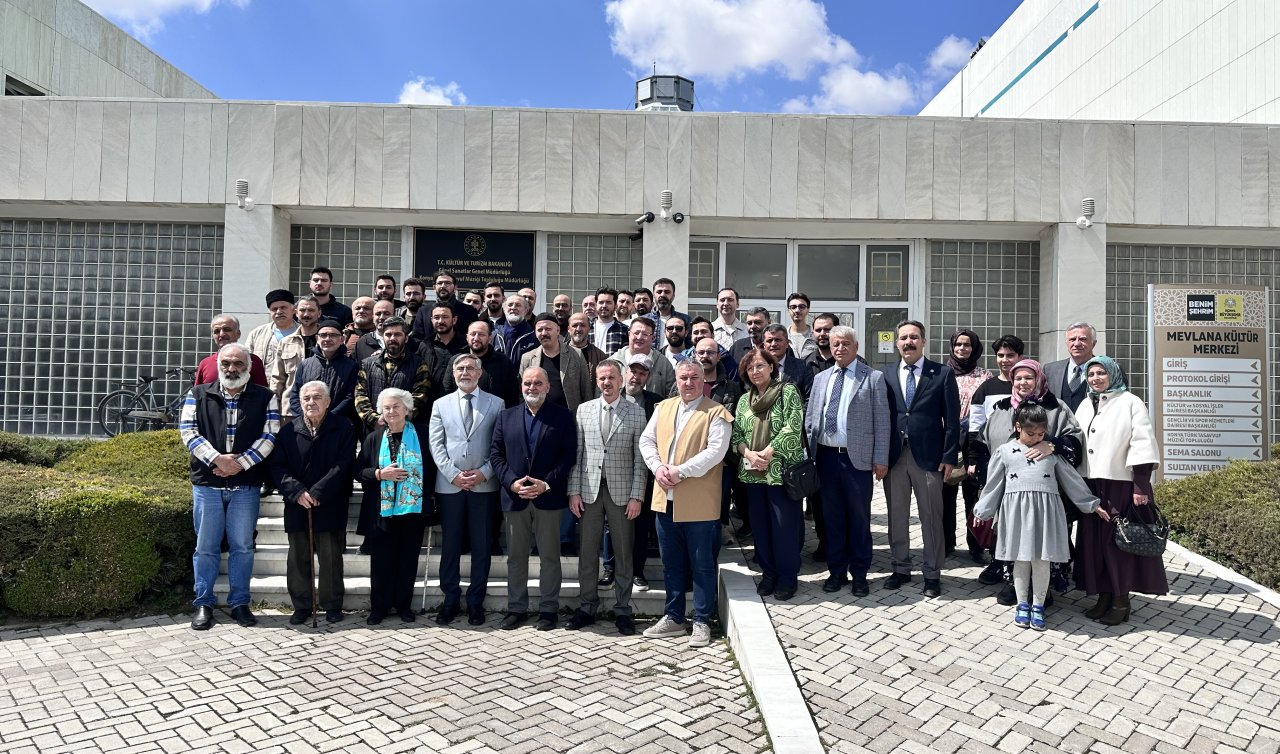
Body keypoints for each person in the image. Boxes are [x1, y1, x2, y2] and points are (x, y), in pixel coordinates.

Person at [974, 403, 1106, 631]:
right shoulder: (1004, 452)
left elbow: (1071, 479)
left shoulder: (1050, 452)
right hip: (1016, 514)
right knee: (1021, 559)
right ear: (1018, 427)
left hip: (1046, 513)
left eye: (1041, 434)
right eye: (1030, 433)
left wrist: (1091, 504)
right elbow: (993, 484)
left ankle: (1038, 604)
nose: (1036, 438)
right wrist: (982, 510)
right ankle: (1022, 603)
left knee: (1042, 559)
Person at [180, 343, 281, 631]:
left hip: (246, 484)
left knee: (242, 546)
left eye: (238, 363)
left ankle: (240, 603)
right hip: (208, 484)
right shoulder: (198, 394)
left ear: (248, 366)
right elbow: (188, 431)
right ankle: (203, 603)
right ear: (218, 364)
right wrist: (217, 459)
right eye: (226, 363)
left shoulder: (265, 397)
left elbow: (270, 435)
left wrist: (241, 464)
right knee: (206, 547)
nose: (231, 369)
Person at [970, 358, 1084, 606]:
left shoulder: (1057, 408)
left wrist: (1051, 443)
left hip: (1047, 493)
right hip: (1011, 492)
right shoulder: (1002, 408)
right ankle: (1014, 585)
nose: (1023, 383)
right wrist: (984, 479)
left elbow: (1075, 440)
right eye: (1018, 378)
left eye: (1028, 378)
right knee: (1013, 536)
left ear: (1039, 379)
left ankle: (1044, 590)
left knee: (1044, 541)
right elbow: (983, 442)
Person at [639, 361, 734, 649]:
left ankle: (702, 621)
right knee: (672, 564)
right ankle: (674, 617)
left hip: (699, 503)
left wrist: (679, 471)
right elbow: (647, 441)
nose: (688, 382)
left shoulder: (717, 412)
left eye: (694, 377)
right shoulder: (663, 407)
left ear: (703, 380)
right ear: (676, 380)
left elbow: (715, 452)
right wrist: (658, 468)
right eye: (683, 377)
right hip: (664, 499)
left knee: (702, 564)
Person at [1072, 355, 1165, 625]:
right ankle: (1104, 595)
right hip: (1091, 484)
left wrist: (1141, 483)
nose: (1096, 379)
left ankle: (1121, 601)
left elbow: (1143, 443)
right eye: (1091, 375)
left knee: (1118, 545)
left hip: (1120, 485)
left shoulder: (1130, 402)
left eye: (1101, 373)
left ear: (1113, 374)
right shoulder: (1085, 403)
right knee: (1094, 544)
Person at [490, 367, 578, 631]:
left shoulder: (562, 417)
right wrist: (511, 483)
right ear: (521, 386)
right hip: (515, 498)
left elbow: (568, 456)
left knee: (549, 557)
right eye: (527, 383)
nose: (532, 387)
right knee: (516, 557)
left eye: (538, 383)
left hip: (548, 499)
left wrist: (546, 483)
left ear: (548, 387)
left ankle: (548, 610)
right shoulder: (506, 417)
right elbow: (496, 454)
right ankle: (517, 608)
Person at [805, 326, 890, 598]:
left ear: (855, 346)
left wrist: (880, 459)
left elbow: (883, 422)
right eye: (835, 344)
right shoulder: (820, 378)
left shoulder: (873, 378)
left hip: (857, 460)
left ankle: (860, 574)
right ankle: (836, 571)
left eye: (845, 344)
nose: (839, 348)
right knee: (831, 519)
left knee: (859, 518)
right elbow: (811, 419)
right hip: (826, 458)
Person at [566, 361, 649, 635]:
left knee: (624, 554)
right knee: (587, 553)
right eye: (602, 378)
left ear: (622, 380)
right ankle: (586, 606)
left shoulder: (636, 413)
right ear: (596, 381)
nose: (606, 382)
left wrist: (637, 496)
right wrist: (574, 491)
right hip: (588, 492)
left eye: (612, 377)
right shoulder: (583, 411)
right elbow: (576, 455)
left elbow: (640, 461)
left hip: (622, 493)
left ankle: (623, 610)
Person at [881, 320, 960, 599]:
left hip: (929, 458)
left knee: (931, 517)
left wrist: (950, 457)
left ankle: (932, 573)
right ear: (896, 343)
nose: (908, 342)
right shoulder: (887, 374)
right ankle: (901, 567)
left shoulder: (941, 373)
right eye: (903, 338)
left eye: (914, 337)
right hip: (895, 457)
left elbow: (952, 421)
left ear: (923, 342)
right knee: (897, 516)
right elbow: (882, 417)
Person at [270, 380, 356, 625]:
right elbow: (277, 467)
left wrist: (318, 491)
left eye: (317, 397)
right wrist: (296, 491)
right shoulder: (288, 431)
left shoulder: (343, 427)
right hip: (297, 504)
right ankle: (302, 605)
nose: (311, 402)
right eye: (306, 398)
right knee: (298, 558)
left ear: (328, 402)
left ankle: (331, 605)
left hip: (329, 503)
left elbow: (343, 465)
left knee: (330, 559)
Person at [429, 353, 504, 627]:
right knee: (450, 545)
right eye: (460, 368)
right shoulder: (441, 404)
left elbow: (499, 445)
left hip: (484, 486)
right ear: (453, 372)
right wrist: (453, 475)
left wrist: (484, 473)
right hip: (450, 486)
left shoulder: (497, 404)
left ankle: (475, 603)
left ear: (480, 372)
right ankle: (450, 601)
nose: (465, 372)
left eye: (470, 368)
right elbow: (436, 445)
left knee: (482, 546)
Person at [731, 348, 806, 600]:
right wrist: (749, 454)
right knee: (761, 528)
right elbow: (737, 435)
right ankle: (768, 574)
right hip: (753, 474)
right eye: (750, 368)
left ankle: (787, 578)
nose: (755, 372)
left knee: (784, 529)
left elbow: (793, 428)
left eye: (760, 366)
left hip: (781, 473)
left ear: (771, 367)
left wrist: (767, 453)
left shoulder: (787, 392)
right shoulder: (743, 400)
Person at [357, 388, 434, 625]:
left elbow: (433, 467)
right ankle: (378, 608)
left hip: (413, 509)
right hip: (382, 510)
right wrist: (380, 474)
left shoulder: (423, 434)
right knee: (381, 562)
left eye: (396, 407)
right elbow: (358, 471)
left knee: (408, 559)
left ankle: (403, 606)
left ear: (407, 409)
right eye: (387, 408)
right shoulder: (374, 438)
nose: (391, 411)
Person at [941, 329, 993, 559]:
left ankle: (975, 545)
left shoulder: (985, 376)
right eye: (958, 344)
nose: (962, 349)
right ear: (952, 347)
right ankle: (946, 543)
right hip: (947, 439)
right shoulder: (942, 373)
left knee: (973, 496)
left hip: (974, 440)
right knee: (945, 493)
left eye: (967, 345)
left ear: (975, 348)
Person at [353, 317, 433, 434]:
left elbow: (420, 397)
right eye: (388, 334)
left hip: (406, 431)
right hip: (374, 431)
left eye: (397, 334)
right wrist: (375, 420)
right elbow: (360, 396)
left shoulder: (419, 364)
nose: (392, 338)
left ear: (406, 338)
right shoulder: (367, 364)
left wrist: (397, 420)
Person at [288, 319, 359, 424]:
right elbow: (295, 394)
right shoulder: (305, 364)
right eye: (323, 335)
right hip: (306, 423)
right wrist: (305, 416)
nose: (327, 339)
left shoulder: (351, 366)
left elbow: (350, 397)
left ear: (342, 339)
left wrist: (328, 418)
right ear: (317, 338)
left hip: (338, 424)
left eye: (333, 335)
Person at [519, 314, 593, 412]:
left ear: (558, 330)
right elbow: (522, 392)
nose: (544, 333)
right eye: (540, 330)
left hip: (568, 417)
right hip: (539, 417)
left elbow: (586, 390)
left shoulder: (576, 355)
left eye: (548, 329)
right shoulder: (527, 358)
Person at [440, 320, 519, 407]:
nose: (476, 338)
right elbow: (446, 392)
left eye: (481, 334)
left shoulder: (503, 362)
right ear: (467, 337)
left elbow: (512, 397)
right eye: (473, 334)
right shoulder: (456, 361)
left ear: (490, 338)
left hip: (494, 416)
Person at [270, 296, 322, 415]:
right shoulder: (286, 342)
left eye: (311, 310)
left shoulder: (327, 342)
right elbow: (277, 378)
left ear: (319, 313)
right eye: (302, 310)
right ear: (296, 313)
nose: (306, 314)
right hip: (290, 410)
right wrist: (272, 407)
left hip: (320, 408)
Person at [194, 314, 268, 388]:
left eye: (227, 329)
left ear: (238, 334)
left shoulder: (253, 361)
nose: (221, 334)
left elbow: (263, 394)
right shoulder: (205, 364)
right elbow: (197, 395)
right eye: (217, 331)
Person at [609, 317, 676, 397]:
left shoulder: (664, 364)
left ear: (653, 338)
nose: (639, 337)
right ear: (629, 334)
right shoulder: (613, 362)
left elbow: (671, 397)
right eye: (636, 333)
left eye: (645, 334)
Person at [1044, 322, 1098, 413]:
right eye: (1072, 339)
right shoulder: (1050, 370)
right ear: (1066, 343)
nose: (1076, 344)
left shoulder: (1107, 370)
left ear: (1094, 343)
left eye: (1082, 339)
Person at [245, 289, 298, 377]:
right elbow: (246, 361)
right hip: (264, 388)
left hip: (293, 388)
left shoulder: (302, 333)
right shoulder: (256, 334)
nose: (279, 312)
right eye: (274, 309)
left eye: (283, 307)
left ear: (293, 310)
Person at [762, 324, 813, 402]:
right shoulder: (756, 368)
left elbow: (808, 399)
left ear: (787, 344)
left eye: (778, 340)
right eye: (769, 341)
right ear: (764, 346)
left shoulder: (803, 367)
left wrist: (795, 414)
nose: (773, 344)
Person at [494, 294, 537, 363]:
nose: (513, 308)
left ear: (526, 310)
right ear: (504, 309)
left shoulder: (534, 336)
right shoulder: (494, 334)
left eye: (518, 305)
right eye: (510, 305)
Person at [592, 287, 628, 354]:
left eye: (608, 302)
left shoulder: (624, 330)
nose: (604, 305)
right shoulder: (587, 327)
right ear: (596, 305)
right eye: (601, 302)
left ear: (615, 306)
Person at [785, 292, 817, 359]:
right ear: (788, 310)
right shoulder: (783, 337)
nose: (797, 310)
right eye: (793, 307)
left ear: (808, 310)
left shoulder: (816, 336)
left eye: (801, 307)